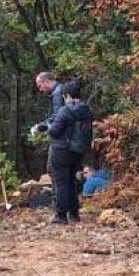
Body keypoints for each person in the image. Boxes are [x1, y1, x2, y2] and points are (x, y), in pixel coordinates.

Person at [44, 81, 93, 224]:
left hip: (61, 151)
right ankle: (74, 213)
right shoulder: (87, 110)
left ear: (66, 95)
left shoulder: (65, 110)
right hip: (78, 151)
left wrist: (48, 126)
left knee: (61, 182)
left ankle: (61, 215)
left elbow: (54, 130)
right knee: (72, 181)